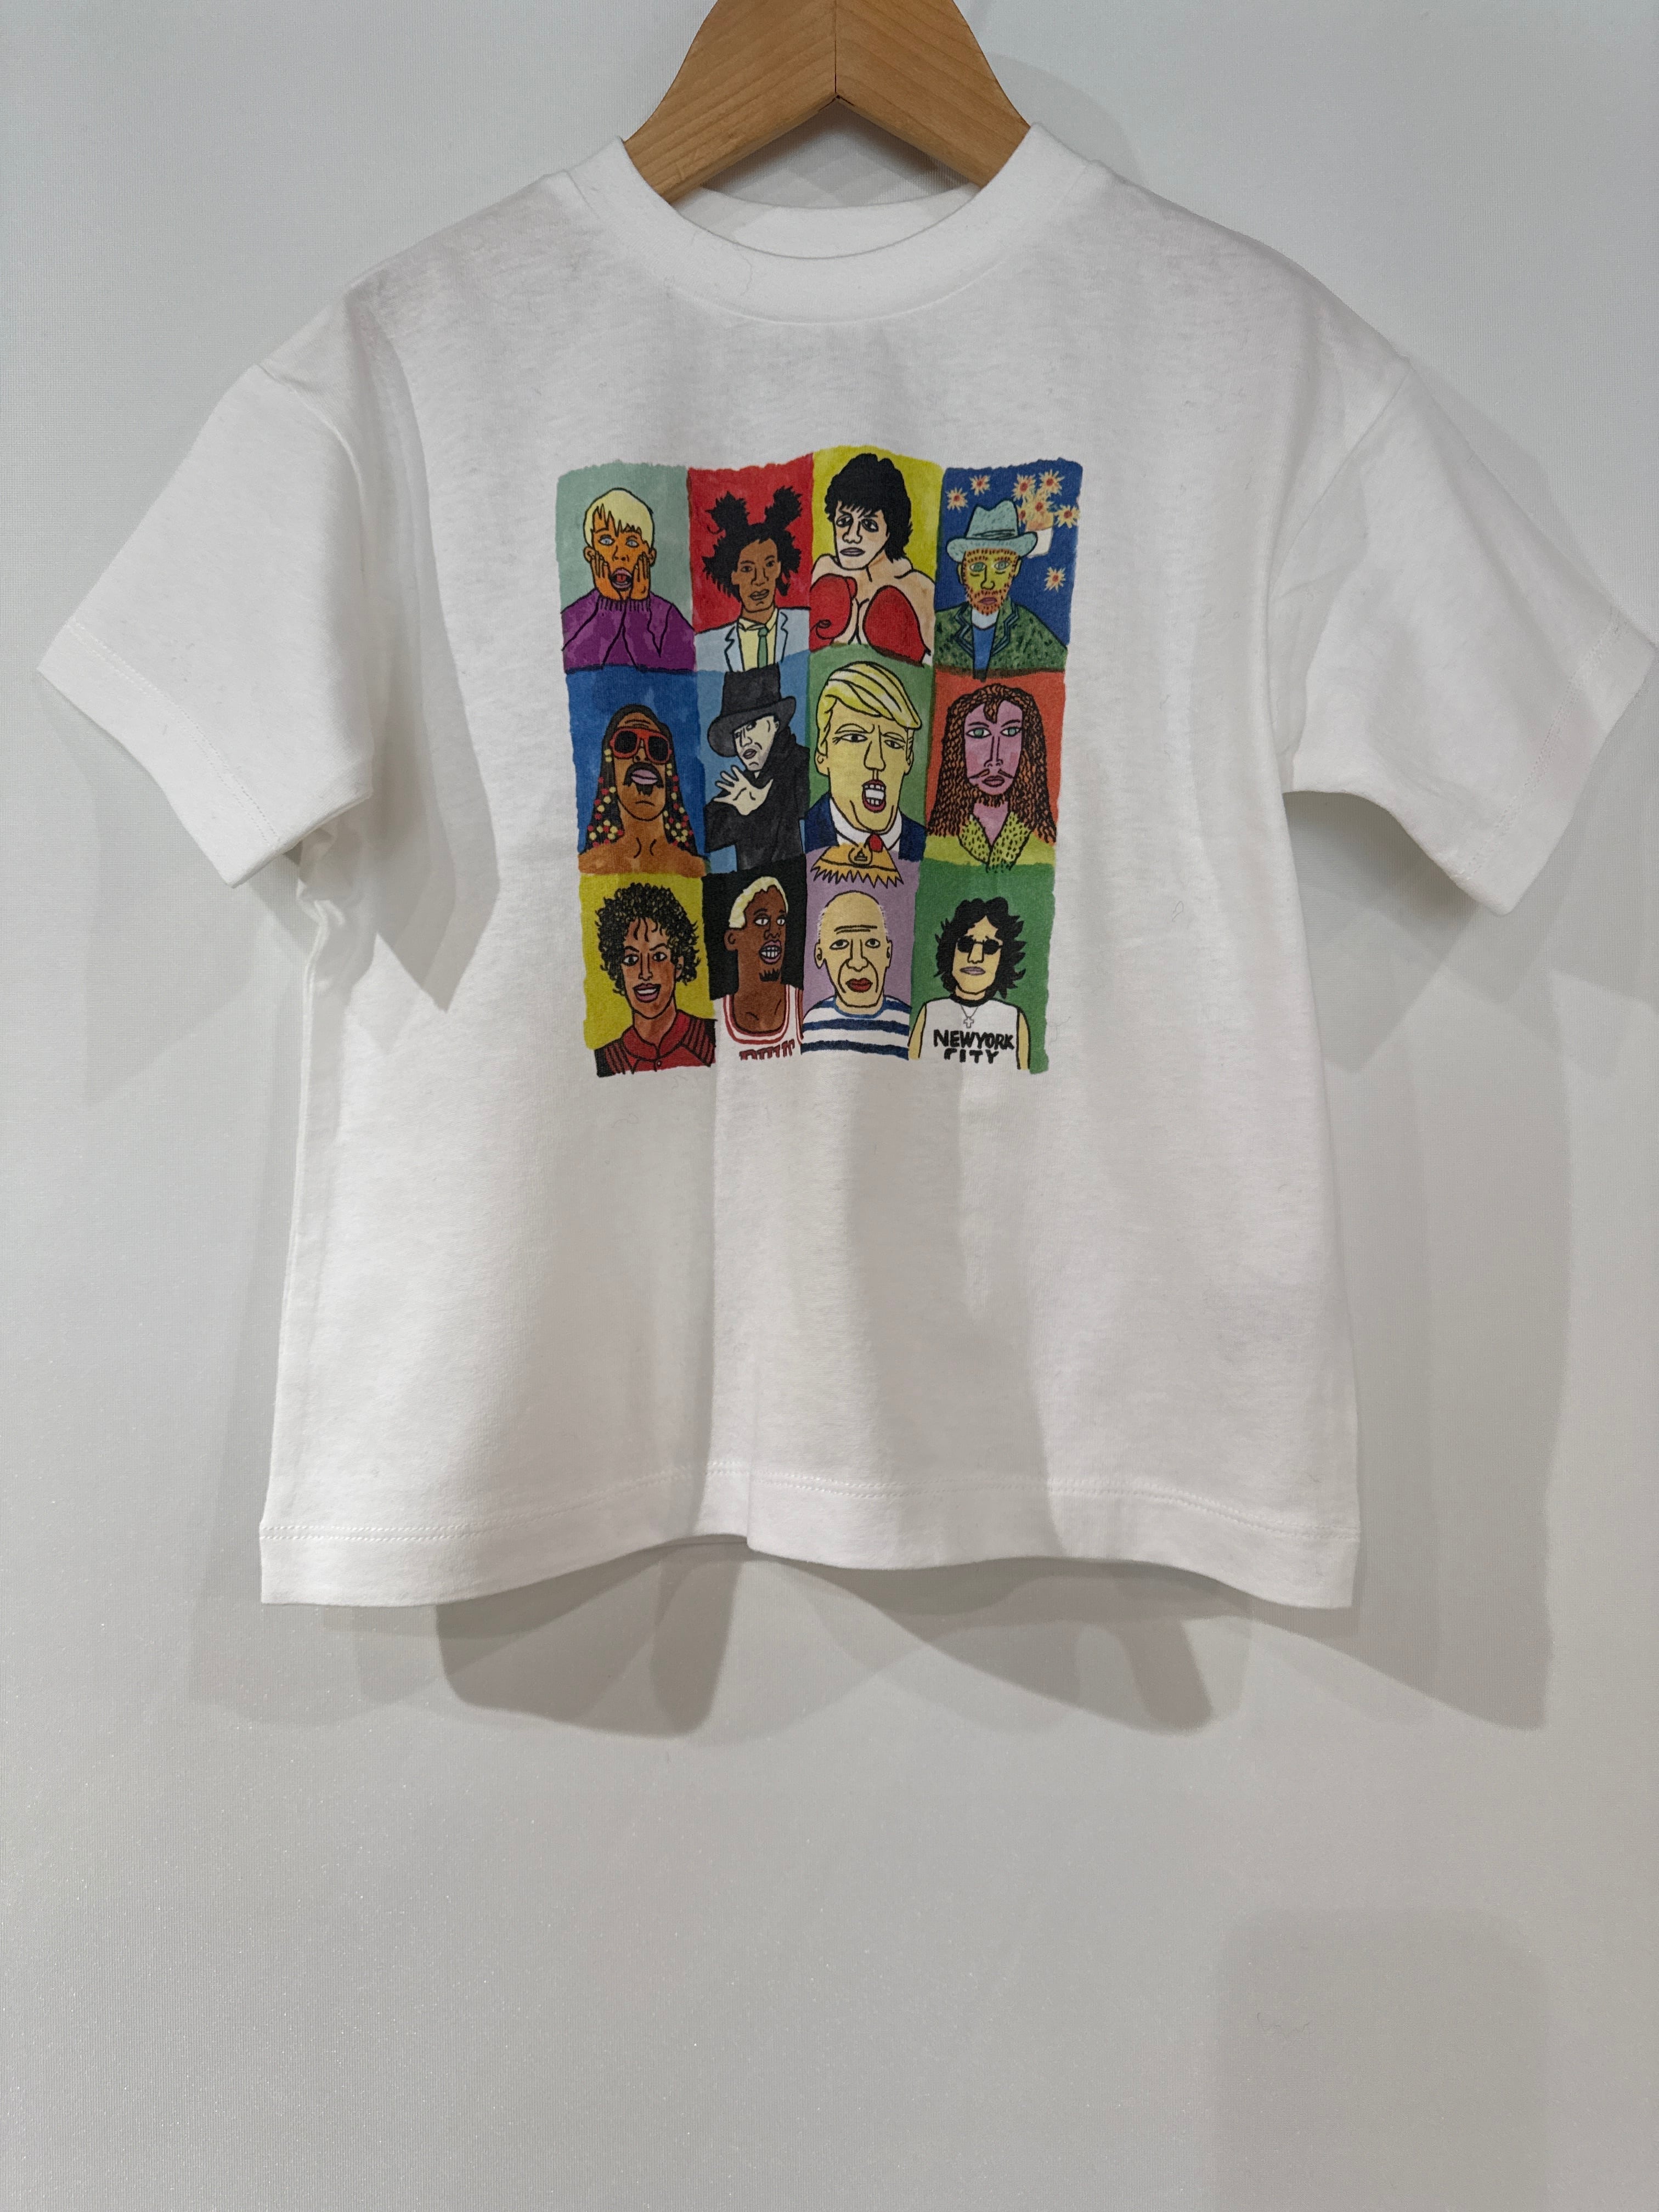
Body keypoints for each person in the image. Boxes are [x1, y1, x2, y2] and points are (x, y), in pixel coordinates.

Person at [802, 660, 926, 883]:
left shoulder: (926, 846)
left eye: (893, 743)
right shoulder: (799, 836)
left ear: (908, 759)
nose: (876, 761)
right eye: (855, 737)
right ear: (822, 753)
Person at [809, 452, 934, 663]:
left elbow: (945, 666)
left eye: (869, 525)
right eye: (844, 521)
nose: (851, 536)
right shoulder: (824, 572)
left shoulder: (917, 589)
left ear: (891, 530)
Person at [924, 681, 1057, 870]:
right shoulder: (936, 844)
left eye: (1010, 732)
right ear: (957, 746)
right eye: (979, 733)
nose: (995, 760)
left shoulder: (1045, 842)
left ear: (1028, 743)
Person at [562, 487, 695, 670]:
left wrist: (637, 610)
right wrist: (608, 609)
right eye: (607, 541)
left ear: (650, 557)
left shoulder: (668, 617)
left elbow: (679, 677)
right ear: (591, 555)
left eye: (632, 542)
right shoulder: (574, 616)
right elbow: (572, 671)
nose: (620, 554)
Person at [592, 880, 715, 1076]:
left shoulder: (712, 1040)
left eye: (658, 957)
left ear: (678, 965)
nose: (645, 973)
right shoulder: (607, 1062)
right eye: (631, 959)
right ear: (618, 969)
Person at [933, 499, 1066, 674]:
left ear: (1015, 568)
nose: (988, 583)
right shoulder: (943, 626)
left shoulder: (1031, 632)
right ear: (962, 572)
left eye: (1001, 566)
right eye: (977, 567)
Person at [702, 664, 809, 870]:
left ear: (775, 724)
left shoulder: (801, 764)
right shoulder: (742, 786)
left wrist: (762, 805)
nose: (744, 741)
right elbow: (700, 835)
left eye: (751, 727)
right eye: (738, 734)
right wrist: (740, 814)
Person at [579, 703, 704, 877]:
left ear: (668, 770)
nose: (642, 755)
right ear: (611, 766)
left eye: (657, 748)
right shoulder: (589, 868)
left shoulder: (696, 870)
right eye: (627, 743)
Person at [909, 895, 1031, 1069]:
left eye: (990, 947)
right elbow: (911, 1071)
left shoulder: (1014, 1019)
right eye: (966, 944)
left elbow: (1023, 1078)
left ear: (1004, 958)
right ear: (950, 950)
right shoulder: (930, 1012)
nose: (975, 958)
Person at [696, 484, 808, 670]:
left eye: (769, 565)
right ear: (733, 575)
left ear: (779, 567)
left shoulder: (805, 624)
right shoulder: (708, 644)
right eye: (747, 569)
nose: (759, 580)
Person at [800, 890, 911, 1056]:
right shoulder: (812, 1024)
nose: (858, 963)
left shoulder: (909, 1023)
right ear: (820, 955)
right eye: (841, 944)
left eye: (872, 943)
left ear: (888, 953)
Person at [718, 874, 801, 1060]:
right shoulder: (716, 1018)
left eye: (781, 921)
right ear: (733, 939)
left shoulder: (804, 1007)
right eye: (762, 921)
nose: (775, 932)